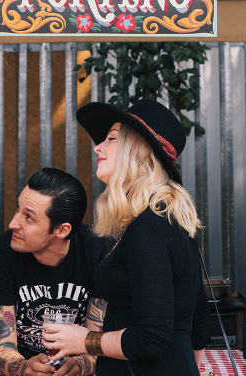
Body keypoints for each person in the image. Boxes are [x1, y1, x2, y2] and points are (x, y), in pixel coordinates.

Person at [43, 99, 210, 376]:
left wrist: (84, 340)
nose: (98, 147)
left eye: (111, 138)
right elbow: (199, 318)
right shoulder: (169, 219)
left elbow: (152, 338)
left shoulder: (148, 228)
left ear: (139, 151)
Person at [0, 167, 110, 376]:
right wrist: (24, 368)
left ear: (62, 230)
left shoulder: (99, 253)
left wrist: (78, 365)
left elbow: (98, 342)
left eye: (29, 217)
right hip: (20, 361)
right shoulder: (0, 254)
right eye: (18, 209)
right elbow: (3, 345)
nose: (13, 224)